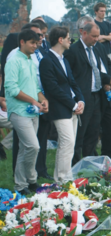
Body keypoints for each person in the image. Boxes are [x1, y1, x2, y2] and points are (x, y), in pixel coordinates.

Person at [65, 21, 111, 164]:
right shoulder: (73, 51)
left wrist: (107, 81)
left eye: (97, 36)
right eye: (93, 36)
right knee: (80, 132)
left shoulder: (98, 47)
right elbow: (70, 76)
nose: (96, 39)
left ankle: (89, 162)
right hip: (82, 96)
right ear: (84, 33)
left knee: (94, 131)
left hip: (98, 95)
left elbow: (108, 64)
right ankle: (75, 164)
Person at [5, 29, 49, 194]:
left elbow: (35, 87)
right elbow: (11, 88)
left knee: (26, 148)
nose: (35, 46)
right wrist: (33, 101)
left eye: (37, 43)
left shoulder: (30, 60)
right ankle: (31, 179)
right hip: (19, 110)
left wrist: (43, 100)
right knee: (33, 146)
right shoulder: (13, 60)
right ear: (22, 42)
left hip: (33, 110)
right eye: (32, 43)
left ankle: (22, 185)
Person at [39, 26, 84, 183]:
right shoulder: (46, 60)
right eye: (68, 38)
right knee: (67, 142)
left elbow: (72, 82)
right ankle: (63, 179)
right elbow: (52, 89)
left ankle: (63, 177)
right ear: (60, 40)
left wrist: (80, 100)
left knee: (69, 144)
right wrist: (73, 104)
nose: (70, 41)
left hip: (72, 106)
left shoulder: (64, 59)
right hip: (59, 108)